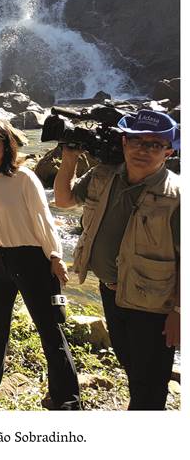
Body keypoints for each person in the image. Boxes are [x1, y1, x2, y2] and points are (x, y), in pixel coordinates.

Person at [54, 109, 180, 410]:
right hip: (111, 291)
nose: (143, 150)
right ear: (124, 143)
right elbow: (63, 200)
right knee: (129, 362)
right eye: (137, 141)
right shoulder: (103, 175)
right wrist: (69, 156)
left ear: (169, 151)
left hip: (153, 306)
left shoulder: (177, 196)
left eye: (154, 144)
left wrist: (179, 310)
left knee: (150, 379)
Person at [0, 119, 80, 410]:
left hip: (31, 258)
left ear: (6, 146)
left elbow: (43, 218)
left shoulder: (23, 177)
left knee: (49, 329)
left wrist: (55, 256)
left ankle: (68, 400)